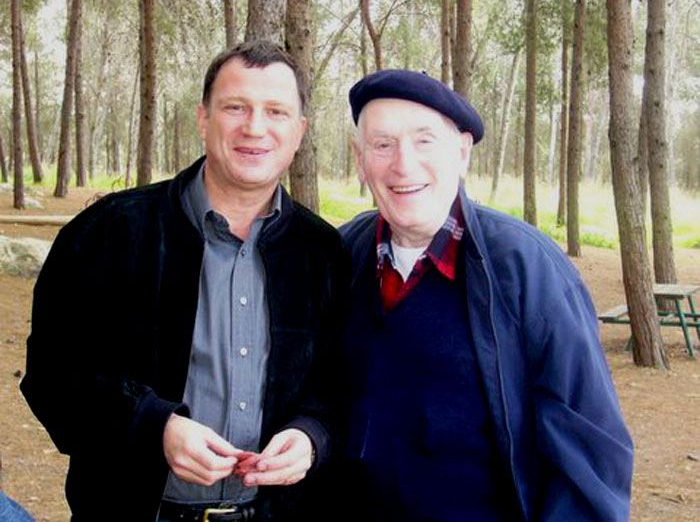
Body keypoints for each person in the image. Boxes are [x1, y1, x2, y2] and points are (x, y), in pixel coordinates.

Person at [20, 40, 348, 522]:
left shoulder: (324, 253)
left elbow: (338, 386)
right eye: (235, 107)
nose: (254, 127)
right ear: (203, 119)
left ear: (299, 131)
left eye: (275, 111)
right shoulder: (109, 233)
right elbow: (52, 376)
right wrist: (154, 426)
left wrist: (313, 436)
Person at [338, 69, 634, 521]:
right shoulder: (342, 256)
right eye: (382, 145)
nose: (403, 165)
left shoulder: (528, 269)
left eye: (424, 141)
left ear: (462, 153)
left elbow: (589, 461)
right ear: (360, 161)